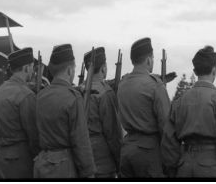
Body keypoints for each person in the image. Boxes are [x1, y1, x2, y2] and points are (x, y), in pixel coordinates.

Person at [161, 45, 216, 177]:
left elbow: (169, 142)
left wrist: (173, 170)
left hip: (184, 166)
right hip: (212, 167)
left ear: (195, 71)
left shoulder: (179, 101)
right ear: (214, 70)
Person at [34, 44, 95, 178]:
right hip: (64, 167)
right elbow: (81, 140)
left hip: (41, 164)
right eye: (73, 69)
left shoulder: (40, 96)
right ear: (69, 70)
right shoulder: (73, 97)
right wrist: (89, 172)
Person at [117, 37, 170, 178]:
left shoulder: (122, 84)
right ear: (148, 60)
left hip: (127, 148)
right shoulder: (155, 85)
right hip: (149, 152)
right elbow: (166, 125)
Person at [0, 47, 40, 179]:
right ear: (26, 68)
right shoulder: (26, 95)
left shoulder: (1, 90)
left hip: (1, 156)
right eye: (32, 67)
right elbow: (33, 134)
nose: (33, 71)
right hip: (20, 160)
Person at [83, 47, 122, 178]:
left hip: (80, 159)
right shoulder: (105, 92)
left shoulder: (77, 90)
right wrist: (119, 162)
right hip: (102, 164)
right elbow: (113, 134)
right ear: (103, 68)